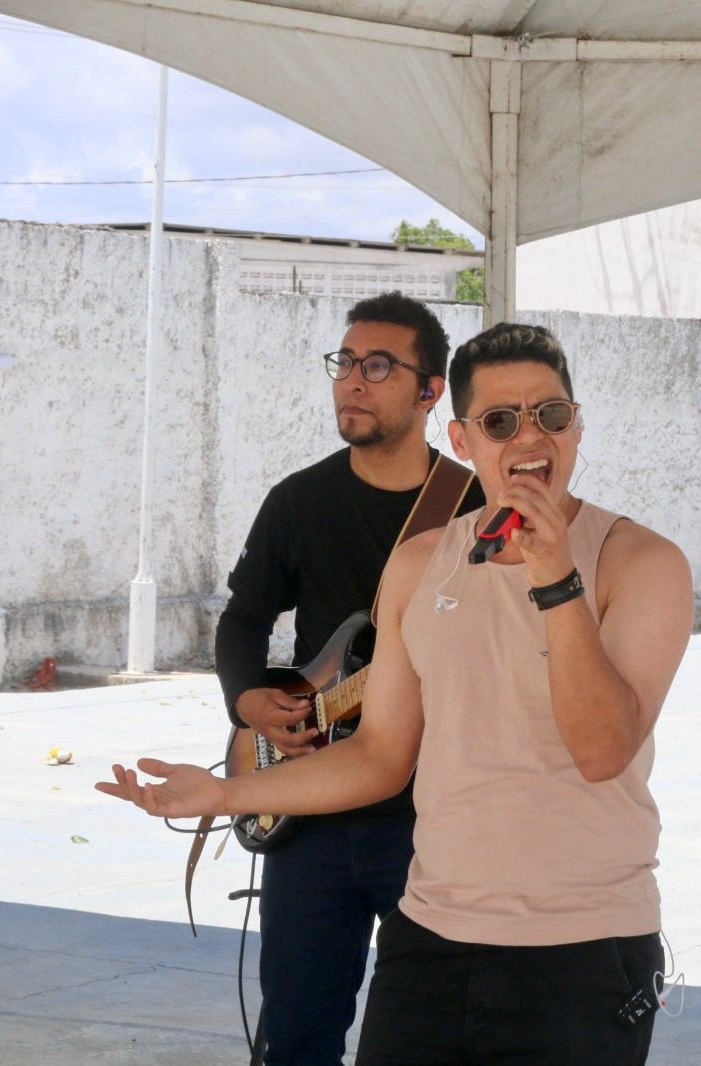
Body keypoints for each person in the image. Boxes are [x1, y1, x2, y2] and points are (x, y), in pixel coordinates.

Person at [105, 322, 695, 1066]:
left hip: (584, 945)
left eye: (550, 414)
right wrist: (224, 794)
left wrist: (554, 578)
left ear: (576, 426)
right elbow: (381, 755)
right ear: (463, 439)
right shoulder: (420, 563)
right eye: (500, 421)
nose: (529, 437)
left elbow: (604, 750)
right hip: (429, 941)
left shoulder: (641, 562)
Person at [213, 291, 482, 1065]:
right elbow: (243, 619)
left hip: (431, 816)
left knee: (427, 1037)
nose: (353, 381)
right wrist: (249, 700)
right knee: (297, 1037)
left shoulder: (475, 507)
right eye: (345, 362)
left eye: (379, 366)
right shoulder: (299, 501)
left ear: (430, 392)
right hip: (311, 810)